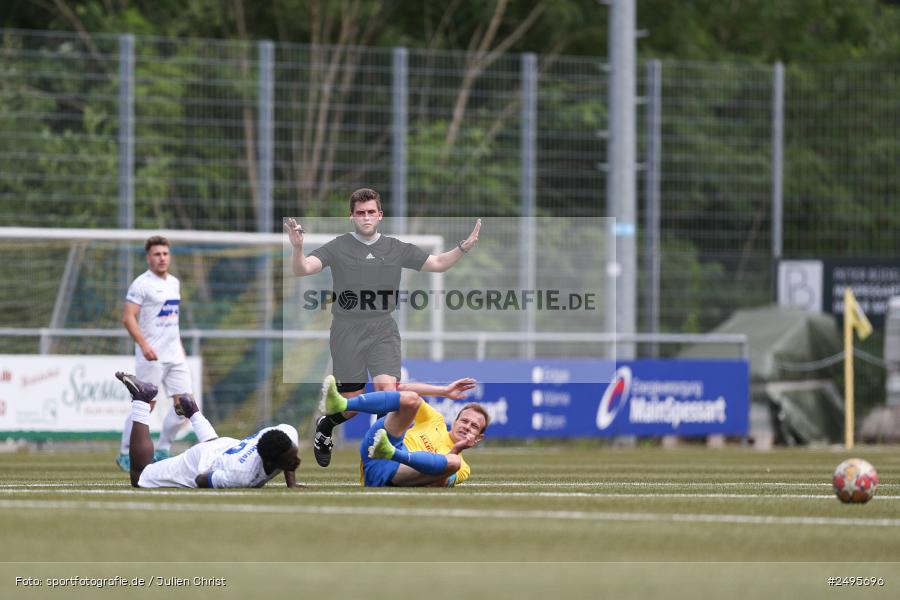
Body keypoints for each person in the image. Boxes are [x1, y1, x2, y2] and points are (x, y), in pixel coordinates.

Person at [284, 188, 482, 468]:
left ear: (380, 215)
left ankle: (380, 454)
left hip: (383, 329)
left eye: (371, 212)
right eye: (360, 213)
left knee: (387, 392)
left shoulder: (395, 248)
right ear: (351, 216)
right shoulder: (338, 246)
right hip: (346, 330)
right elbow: (303, 269)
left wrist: (463, 248)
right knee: (352, 405)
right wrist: (297, 247)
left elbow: (437, 264)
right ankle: (326, 425)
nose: (366, 218)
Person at [115, 371, 301, 489]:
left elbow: (286, 449)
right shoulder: (242, 477)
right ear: (272, 461)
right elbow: (200, 480)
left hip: (225, 446)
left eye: (294, 453)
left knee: (218, 451)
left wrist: (291, 483)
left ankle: (192, 411)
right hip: (203, 459)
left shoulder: (288, 435)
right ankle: (141, 399)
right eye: (291, 458)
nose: (297, 460)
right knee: (139, 477)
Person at [319, 374, 489, 487]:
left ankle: (391, 452)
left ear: (478, 438)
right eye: (465, 421)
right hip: (378, 444)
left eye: (474, 426)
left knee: (453, 463)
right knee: (411, 400)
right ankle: (342, 404)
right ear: (456, 420)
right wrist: (444, 391)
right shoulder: (436, 420)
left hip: (392, 474)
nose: (467, 426)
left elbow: (437, 482)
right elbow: (403, 390)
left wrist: (456, 450)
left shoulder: (464, 468)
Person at [116, 235, 195, 471]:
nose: (162, 258)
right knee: (145, 406)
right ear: (149, 258)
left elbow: (173, 321)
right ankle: (124, 454)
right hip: (151, 355)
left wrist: (180, 348)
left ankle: (162, 449)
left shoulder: (174, 283)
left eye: (165, 254)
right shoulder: (141, 284)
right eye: (157, 254)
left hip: (175, 355)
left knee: (186, 404)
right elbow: (128, 318)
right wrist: (143, 344)